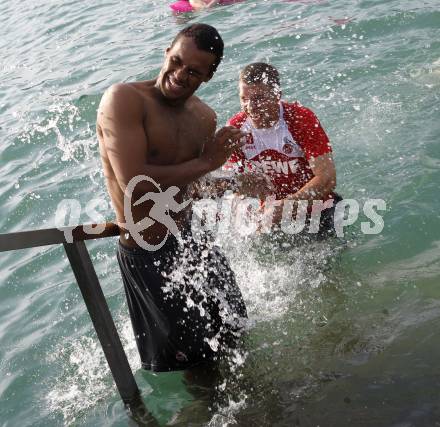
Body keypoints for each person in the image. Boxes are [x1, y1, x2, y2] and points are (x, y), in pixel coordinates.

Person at [96, 23, 248, 372]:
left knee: (235, 333)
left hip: (194, 240)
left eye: (194, 72)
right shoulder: (125, 100)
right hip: (149, 254)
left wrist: (236, 182)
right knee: (194, 365)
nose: (180, 75)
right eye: (177, 61)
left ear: (208, 76)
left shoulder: (204, 117)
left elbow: (187, 187)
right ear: (167, 51)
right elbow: (135, 181)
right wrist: (208, 162)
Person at [225, 62, 341, 237]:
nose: (250, 107)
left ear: (277, 94)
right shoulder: (236, 129)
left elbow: (327, 179)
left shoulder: (301, 119)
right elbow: (236, 184)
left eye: (258, 99)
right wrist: (243, 205)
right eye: (244, 99)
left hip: (317, 210)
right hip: (271, 218)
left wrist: (284, 207)